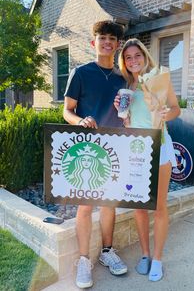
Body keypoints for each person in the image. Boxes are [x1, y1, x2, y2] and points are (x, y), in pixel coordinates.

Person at [63, 20, 128, 289]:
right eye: (102, 38)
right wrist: (78, 121)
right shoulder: (80, 73)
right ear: (94, 42)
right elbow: (66, 110)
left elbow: (127, 116)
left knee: (109, 204)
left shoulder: (123, 78)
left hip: (114, 148)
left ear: (117, 45)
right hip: (86, 148)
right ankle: (83, 261)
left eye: (112, 39)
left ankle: (106, 252)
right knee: (86, 206)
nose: (107, 42)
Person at [114, 38, 180, 282]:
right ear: (124, 62)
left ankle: (159, 259)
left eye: (137, 55)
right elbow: (127, 120)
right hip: (135, 151)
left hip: (160, 147)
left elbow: (176, 108)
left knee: (159, 207)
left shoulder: (158, 79)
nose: (133, 61)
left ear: (144, 55)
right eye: (128, 58)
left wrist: (166, 113)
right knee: (140, 206)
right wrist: (123, 115)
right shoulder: (126, 87)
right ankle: (145, 254)